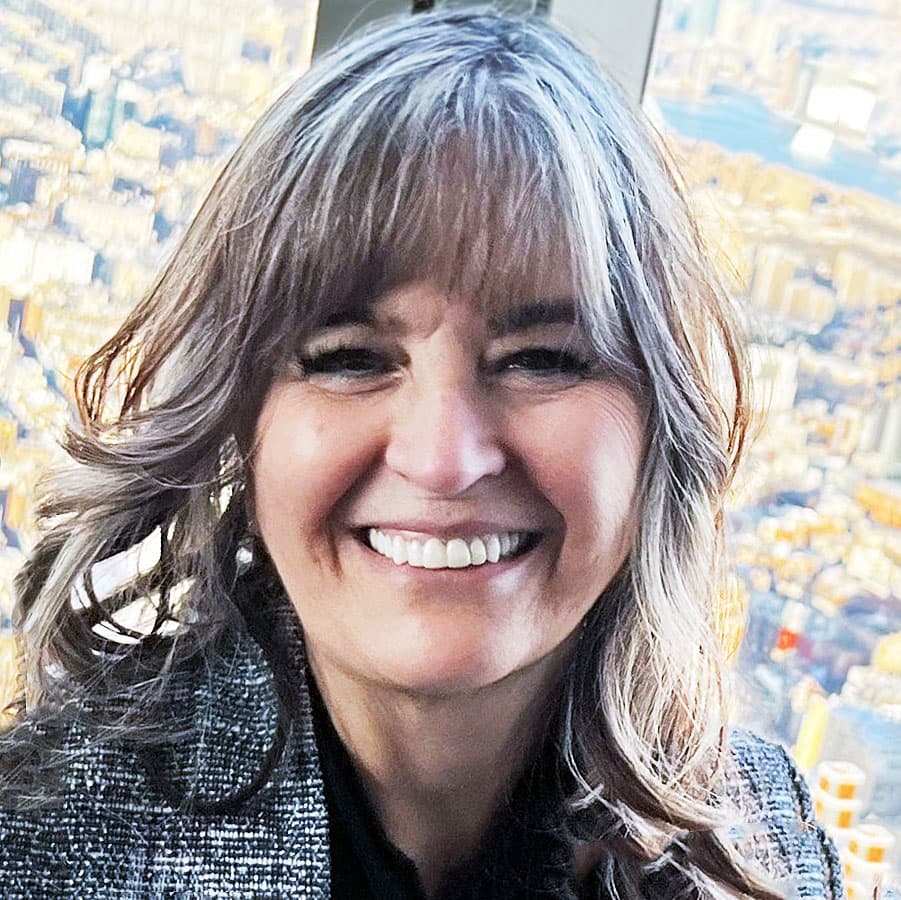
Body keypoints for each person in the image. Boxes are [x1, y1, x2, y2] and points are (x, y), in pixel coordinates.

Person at [0, 9, 842, 899]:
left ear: (659, 423)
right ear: (238, 421)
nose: (442, 460)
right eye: (348, 359)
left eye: (541, 359)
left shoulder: (769, 845)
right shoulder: (39, 849)